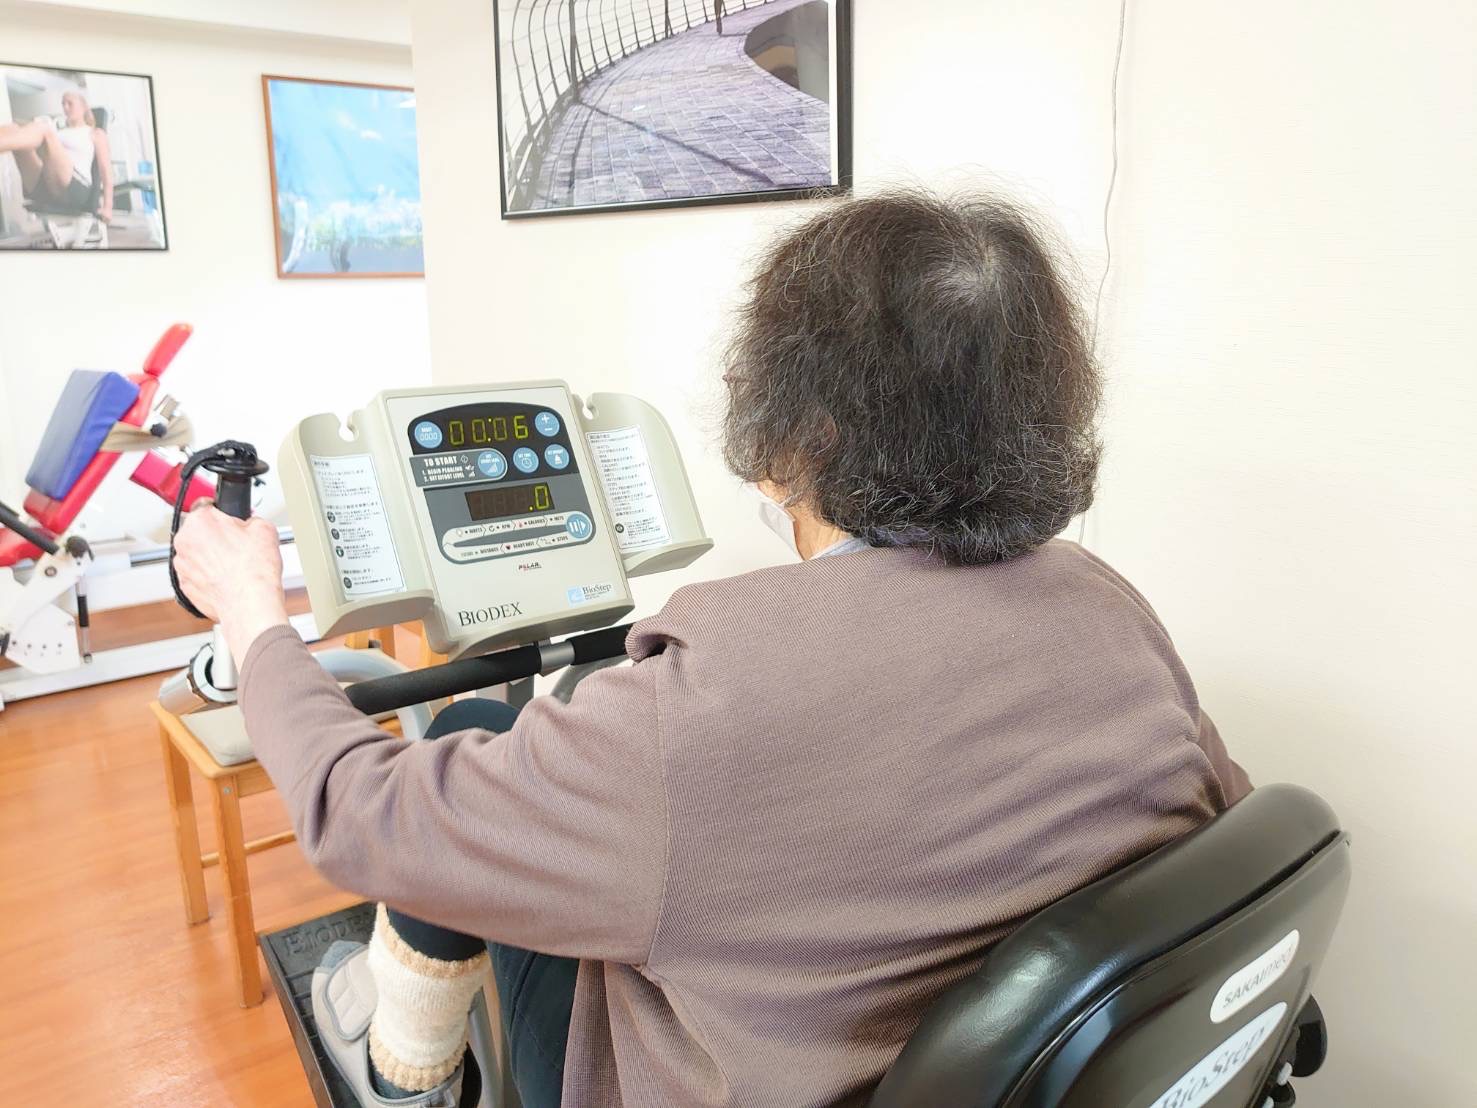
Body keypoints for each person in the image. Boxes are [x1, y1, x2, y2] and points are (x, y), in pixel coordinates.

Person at [174, 188, 1251, 1108]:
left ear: (797, 432)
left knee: (471, 742)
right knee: (506, 730)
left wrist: (255, 618)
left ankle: (401, 1061)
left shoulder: (702, 705)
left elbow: (356, 815)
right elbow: (1215, 825)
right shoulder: (1107, 605)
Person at [0, 89, 113, 222]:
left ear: (83, 106)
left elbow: (106, 170)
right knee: (13, 128)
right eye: (63, 104)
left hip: (76, 189)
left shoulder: (95, 133)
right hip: (48, 185)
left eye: (70, 103)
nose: (65, 107)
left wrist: (108, 207)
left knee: (43, 128)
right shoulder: (59, 132)